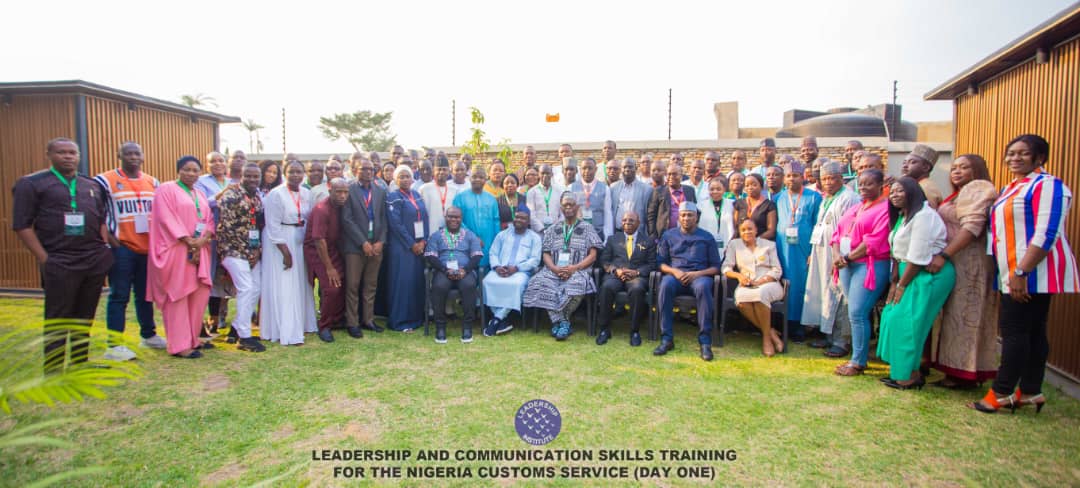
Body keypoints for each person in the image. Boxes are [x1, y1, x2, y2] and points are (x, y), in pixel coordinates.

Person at [971, 134, 1079, 414]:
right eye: (1011, 153)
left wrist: (1022, 271)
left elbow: (1047, 232)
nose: (1014, 158)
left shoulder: (1049, 185)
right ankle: (1030, 390)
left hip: (1032, 272)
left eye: (1023, 153)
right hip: (1012, 270)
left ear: (1039, 157)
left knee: (1015, 331)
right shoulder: (1012, 187)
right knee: (1032, 330)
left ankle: (1002, 392)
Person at [12, 138, 114, 370]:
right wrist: (44, 258)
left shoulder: (90, 184)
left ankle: (80, 361)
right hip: (59, 259)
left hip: (92, 258)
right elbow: (22, 225)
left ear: (79, 156)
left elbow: (101, 219)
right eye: (61, 152)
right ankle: (54, 366)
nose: (68, 157)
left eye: (72, 152)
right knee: (58, 315)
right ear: (49, 154)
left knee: (85, 314)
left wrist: (104, 248)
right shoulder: (32, 184)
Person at [929, 154, 999, 389]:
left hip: (970, 262)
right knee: (953, 316)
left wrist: (945, 254)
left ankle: (965, 373)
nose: (956, 172)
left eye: (964, 167)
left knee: (968, 315)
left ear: (976, 169)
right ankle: (953, 369)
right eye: (954, 168)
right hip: (954, 261)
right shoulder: (957, 194)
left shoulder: (980, 189)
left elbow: (972, 228)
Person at [877, 176, 955, 390]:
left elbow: (918, 257)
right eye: (892, 191)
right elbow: (896, 252)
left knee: (908, 322)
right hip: (907, 272)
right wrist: (895, 282)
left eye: (900, 191)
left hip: (925, 274)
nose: (894, 195)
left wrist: (901, 286)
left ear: (913, 192)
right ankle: (907, 371)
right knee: (893, 317)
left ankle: (907, 376)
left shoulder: (923, 216)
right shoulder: (903, 216)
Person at [95, 142, 165, 361]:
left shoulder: (152, 182)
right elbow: (97, 213)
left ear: (143, 156)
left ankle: (148, 334)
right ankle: (114, 344)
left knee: (145, 295)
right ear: (120, 155)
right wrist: (111, 240)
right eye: (128, 153)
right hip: (122, 247)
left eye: (137, 153)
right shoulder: (105, 181)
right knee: (119, 295)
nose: (133, 157)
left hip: (146, 247)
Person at [146, 156, 216, 359]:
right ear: (178, 170)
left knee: (199, 294)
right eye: (187, 169)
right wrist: (188, 240)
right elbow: (166, 218)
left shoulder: (199, 193)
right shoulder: (166, 190)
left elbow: (209, 220)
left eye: (195, 170)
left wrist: (203, 240)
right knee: (178, 295)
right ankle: (179, 345)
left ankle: (193, 339)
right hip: (177, 249)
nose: (191, 174)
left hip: (200, 250)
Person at [831, 169, 891, 376]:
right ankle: (858, 357)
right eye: (861, 184)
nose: (863, 187)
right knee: (854, 312)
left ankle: (858, 362)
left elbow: (874, 240)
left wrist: (847, 258)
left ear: (881, 185)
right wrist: (837, 255)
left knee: (857, 312)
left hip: (869, 265)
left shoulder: (885, 209)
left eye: (869, 184)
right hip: (846, 264)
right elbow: (837, 234)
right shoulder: (856, 207)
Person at [523, 192, 603, 341]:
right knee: (539, 282)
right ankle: (563, 322)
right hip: (554, 270)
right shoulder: (552, 229)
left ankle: (559, 322)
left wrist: (574, 268)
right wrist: (554, 268)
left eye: (571, 204)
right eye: (565, 205)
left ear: (577, 207)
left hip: (578, 270)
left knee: (576, 284)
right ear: (561, 208)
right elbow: (546, 253)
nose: (568, 208)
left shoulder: (587, 228)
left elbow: (593, 255)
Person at [801, 161, 861, 355]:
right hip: (821, 252)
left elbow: (849, 230)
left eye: (832, 178)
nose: (828, 182)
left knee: (840, 295)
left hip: (839, 255)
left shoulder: (849, 198)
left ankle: (841, 341)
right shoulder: (827, 198)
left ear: (841, 178)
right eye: (824, 179)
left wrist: (841, 256)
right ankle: (828, 335)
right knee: (826, 293)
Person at [654, 202, 723, 361]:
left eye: (690, 215)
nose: (686, 218)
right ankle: (666, 339)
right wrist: (675, 271)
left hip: (699, 277)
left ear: (696, 217)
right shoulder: (669, 235)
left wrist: (697, 274)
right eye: (683, 215)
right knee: (665, 285)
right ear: (679, 217)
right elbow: (660, 263)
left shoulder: (707, 237)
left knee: (703, 288)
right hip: (676, 276)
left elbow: (716, 267)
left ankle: (705, 342)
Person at [259, 160, 317, 345]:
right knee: (286, 282)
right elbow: (272, 225)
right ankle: (287, 330)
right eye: (291, 172)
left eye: (299, 172)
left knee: (300, 281)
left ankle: (303, 323)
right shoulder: (276, 194)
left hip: (300, 238)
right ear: (284, 173)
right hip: (281, 241)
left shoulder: (306, 193)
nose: (295, 175)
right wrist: (285, 251)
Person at [216, 163, 267, 352]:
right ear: (241, 176)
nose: (253, 179)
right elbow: (227, 228)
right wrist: (247, 252)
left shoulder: (257, 197)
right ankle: (244, 337)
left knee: (256, 288)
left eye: (256, 176)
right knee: (245, 288)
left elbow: (257, 226)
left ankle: (237, 327)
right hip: (232, 251)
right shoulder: (231, 195)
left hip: (252, 251)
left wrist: (257, 250)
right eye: (249, 176)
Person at [377, 165, 429, 332]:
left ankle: (415, 318)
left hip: (418, 247)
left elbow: (425, 219)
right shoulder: (393, 197)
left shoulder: (416, 195)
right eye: (402, 177)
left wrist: (423, 241)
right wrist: (411, 244)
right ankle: (400, 320)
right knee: (402, 283)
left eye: (407, 176)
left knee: (415, 282)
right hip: (402, 248)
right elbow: (396, 224)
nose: (405, 179)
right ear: (395, 179)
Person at [723, 219, 786, 356]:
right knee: (741, 298)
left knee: (761, 295)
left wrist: (762, 281)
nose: (747, 232)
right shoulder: (734, 245)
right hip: (746, 283)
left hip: (769, 283)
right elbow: (726, 267)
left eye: (750, 229)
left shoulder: (769, 245)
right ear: (739, 232)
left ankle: (766, 340)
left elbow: (777, 270)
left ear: (756, 230)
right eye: (743, 230)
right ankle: (770, 332)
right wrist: (739, 276)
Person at [775, 167, 822, 342]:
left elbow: (818, 225)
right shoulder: (778, 198)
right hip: (783, 250)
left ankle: (799, 327)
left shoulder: (814, 197)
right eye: (788, 176)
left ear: (802, 177)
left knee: (801, 287)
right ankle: (783, 324)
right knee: (784, 285)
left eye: (795, 175)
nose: (791, 179)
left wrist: (813, 251)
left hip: (803, 251)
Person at [341, 158, 388, 336]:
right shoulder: (349, 189)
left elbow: (384, 218)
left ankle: (368, 320)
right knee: (353, 285)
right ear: (355, 170)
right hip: (355, 247)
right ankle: (352, 322)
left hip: (376, 246)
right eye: (364, 169)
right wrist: (363, 242)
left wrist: (381, 241)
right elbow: (347, 219)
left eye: (371, 169)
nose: (368, 172)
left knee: (371, 285)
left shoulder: (380, 191)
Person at [425, 206, 484, 344]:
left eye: (456, 217)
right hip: (443, 271)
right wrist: (445, 270)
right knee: (439, 287)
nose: (453, 219)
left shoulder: (470, 235)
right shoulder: (436, 235)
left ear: (461, 219)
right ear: (445, 217)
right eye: (450, 216)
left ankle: (467, 327)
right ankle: (440, 327)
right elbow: (430, 256)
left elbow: (477, 256)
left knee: (469, 286)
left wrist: (465, 270)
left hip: (465, 271)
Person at [596, 211, 655, 346]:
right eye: (624, 220)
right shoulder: (613, 239)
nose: (627, 223)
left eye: (631, 220)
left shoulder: (648, 241)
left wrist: (637, 272)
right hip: (615, 275)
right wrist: (615, 270)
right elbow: (604, 260)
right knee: (606, 288)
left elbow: (652, 264)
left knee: (637, 290)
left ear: (638, 223)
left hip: (636, 277)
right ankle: (604, 330)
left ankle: (634, 331)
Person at [483, 209, 543, 336]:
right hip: (500, 269)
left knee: (516, 285)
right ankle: (501, 320)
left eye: (523, 218)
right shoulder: (502, 235)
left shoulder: (535, 238)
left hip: (521, 272)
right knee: (487, 282)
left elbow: (535, 260)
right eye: (517, 217)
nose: (519, 220)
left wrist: (517, 268)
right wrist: (497, 267)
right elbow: (493, 253)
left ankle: (496, 319)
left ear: (528, 221)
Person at [305, 178, 350, 342]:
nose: (342, 196)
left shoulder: (340, 207)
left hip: (332, 248)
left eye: (345, 192)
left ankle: (336, 319)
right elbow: (319, 240)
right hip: (317, 250)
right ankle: (324, 325)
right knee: (332, 287)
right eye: (339, 192)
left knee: (343, 282)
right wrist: (329, 268)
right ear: (330, 191)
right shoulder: (321, 209)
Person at [194, 151, 234, 336]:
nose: (217, 164)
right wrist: (222, 194)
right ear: (207, 165)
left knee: (223, 278)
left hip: (229, 238)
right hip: (209, 237)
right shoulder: (200, 182)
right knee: (206, 278)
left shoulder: (232, 181)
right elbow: (202, 204)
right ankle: (198, 322)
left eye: (220, 160)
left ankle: (217, 318)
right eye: (213, 161)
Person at [453, 168, 500, 267]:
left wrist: (496, 242)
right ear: (469, 178)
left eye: (481, 177)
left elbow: (496, 221)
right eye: (474, 177)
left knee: (486, 269)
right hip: (465, 242)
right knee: (468, 270)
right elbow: (456, 221)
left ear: (486, 179)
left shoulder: (492, 199)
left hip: (488, 242)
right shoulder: (460, 197)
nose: (477, 179)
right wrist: (472, 238)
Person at [646, 163, 697, 239]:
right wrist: (653, 236)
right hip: (665, 235)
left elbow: (695, 211)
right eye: (669, 174)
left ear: (681, 176)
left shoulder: (689, 190)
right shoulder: (658, 191)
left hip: (687, 235)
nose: (671, 177)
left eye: (674, 174)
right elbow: (651, 215)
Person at [568, 157, 613, 239]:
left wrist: (607, 237)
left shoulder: (605, 189)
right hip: (577, 235)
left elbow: (608, 213)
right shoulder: (571, 188)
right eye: (584, 168)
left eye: (590, 168)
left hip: (598, 235)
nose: (587, 171)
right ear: (580, 170)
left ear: (595, 169)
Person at [418, 156, 461, 233]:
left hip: (450, 234)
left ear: (449, 172)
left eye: (444, 169)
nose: (441, 172)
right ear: (433, 171)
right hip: (430, 232)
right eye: (439, 169)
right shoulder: (424, 189)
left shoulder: (455, 190)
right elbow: (419, 215)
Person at [609, 159, 652, 232]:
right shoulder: (613, 187)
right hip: (617, 231)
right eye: (624, 167)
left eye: (630, 167)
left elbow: (648, 215)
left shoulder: (647, 189)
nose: (627, 169)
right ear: (621, 169)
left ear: (636, 168)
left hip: (637, 232)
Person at [733, 174, 777, 240]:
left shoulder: (769, 205)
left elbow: (771, 231)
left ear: (761, 187)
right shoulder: (739, 203)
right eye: (747, 185)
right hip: (741, 243)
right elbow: (735, 227)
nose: (750, 188)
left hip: (761, 243)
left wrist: (754, 241)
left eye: (754, 185)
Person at [698, 178, 735, 250]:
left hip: (728, 242)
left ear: (724, 190)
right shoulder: (701, 205)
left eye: (718, 189)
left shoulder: (732, 204)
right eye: (712, 189)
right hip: (706, 243)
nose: (715, 191)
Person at [901, 144, 943, 208]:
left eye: (912, 162)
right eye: (904, 162)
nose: (905, 166)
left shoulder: (926, 188)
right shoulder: (916, 185)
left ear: (926, 167)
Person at [526, 164, 562, 233]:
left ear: (552, 174)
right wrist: (542, 228)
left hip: (556, 231)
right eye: (542, 173)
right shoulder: (532, 192)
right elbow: (531, 214)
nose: (545, 176)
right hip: (538, 232)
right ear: (538, 174)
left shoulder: (559, 191)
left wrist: (555, 227)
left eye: (547, 173)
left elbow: (562, 213)